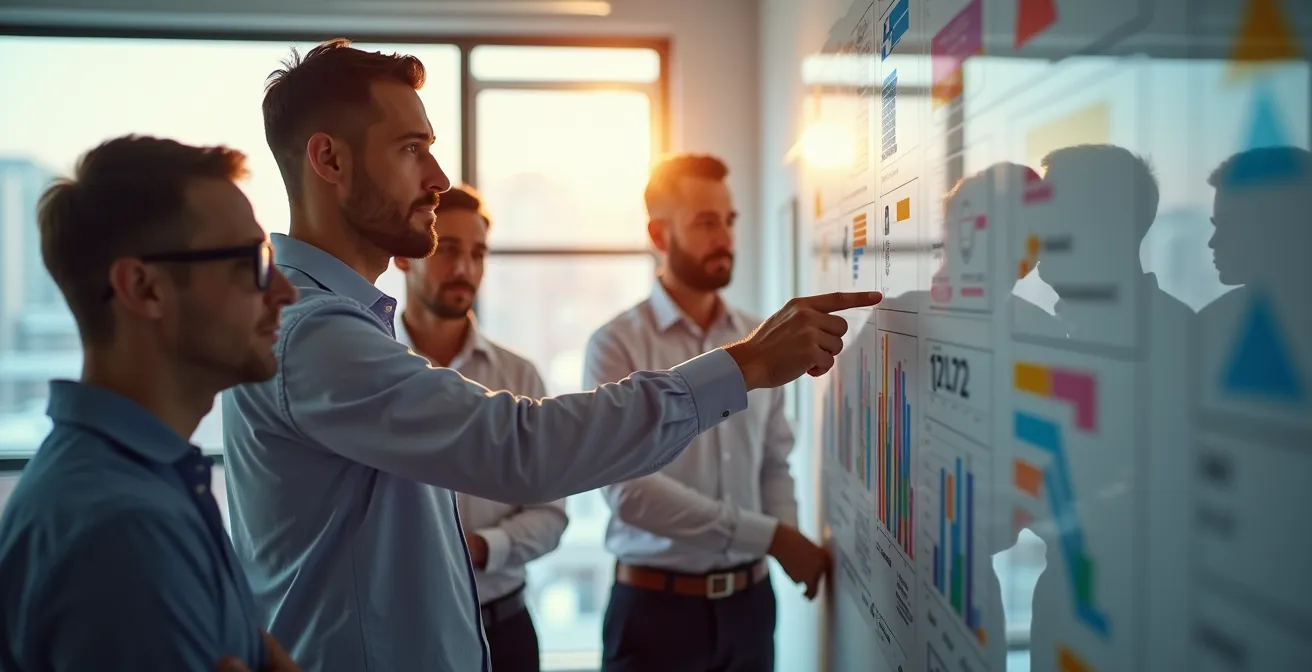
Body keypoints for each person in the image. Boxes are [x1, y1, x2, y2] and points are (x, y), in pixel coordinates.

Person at [220, 38, 881, 672]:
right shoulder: (313, 332)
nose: (438, 177)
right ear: (330, 161)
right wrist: (745, 366)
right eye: (411, 149)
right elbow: (521, 449)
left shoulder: (347, 323)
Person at [0, 135, 301, 672]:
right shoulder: (124, 533)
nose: (284, 291)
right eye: (254, 262)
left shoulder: (144, 482)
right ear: (144, 287)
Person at [582, 154, 828, 672]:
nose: (725, 237)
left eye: (730, 220)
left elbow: (774, 460)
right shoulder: (616, 346)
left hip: (751, 609)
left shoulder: (763, 338)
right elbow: (629, 492)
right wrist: (773, 536)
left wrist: (790, 539)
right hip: (655, 614)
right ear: (658, 234)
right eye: (706, 222)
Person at [393, 184, 566, 672]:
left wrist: (482, 548)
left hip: (505, 630)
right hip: (405, 634)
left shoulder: (520, 376)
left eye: (478, 253)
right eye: (447, 250)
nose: (465, 269)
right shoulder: (375, 374)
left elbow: (551, 514)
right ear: (405, 259)